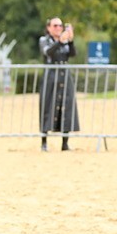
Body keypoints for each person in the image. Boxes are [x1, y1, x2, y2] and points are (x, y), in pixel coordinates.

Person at [39, 17, 78, 151]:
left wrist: (70, 41)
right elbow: (48, 53)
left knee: (66, 106)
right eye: (55, 26)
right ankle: (44, 141)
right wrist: (59, 42)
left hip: (64, 75)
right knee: (47, 106)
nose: (58, 28)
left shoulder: (65, 40)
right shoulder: (44, 40)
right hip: (50, 76)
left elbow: (72, 54)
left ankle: (65, 142)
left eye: (60, 26)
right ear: (49, 27)